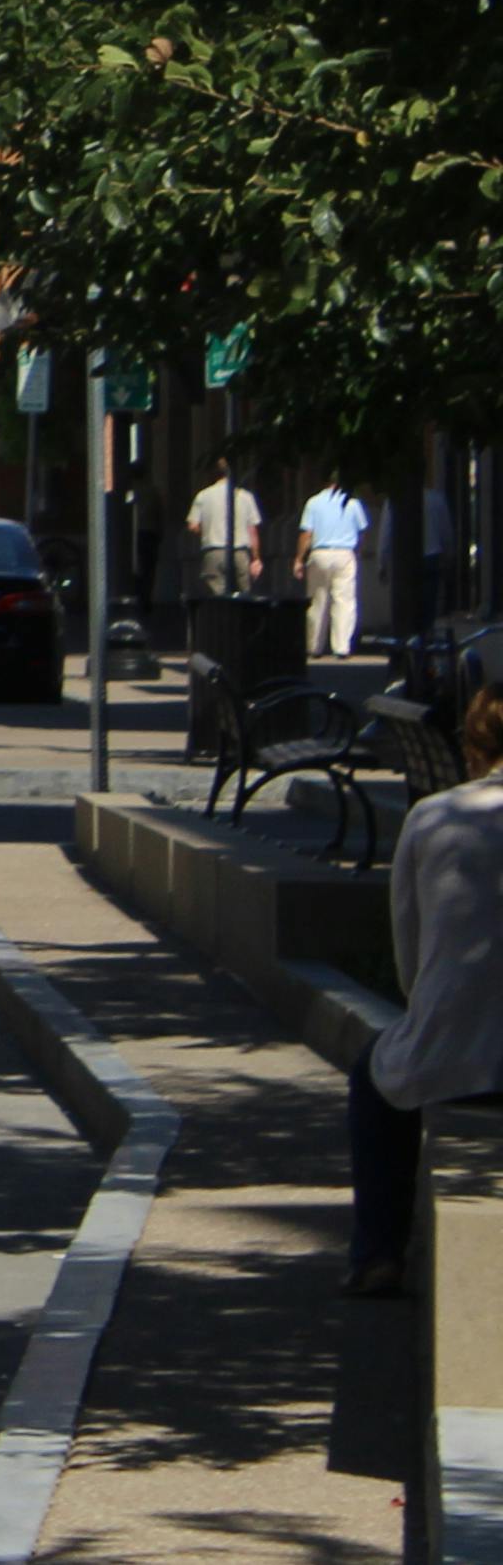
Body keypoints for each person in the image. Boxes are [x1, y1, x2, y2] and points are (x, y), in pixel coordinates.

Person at [355, 685, 503, 1296]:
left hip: (456, 1051)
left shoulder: (435, 815)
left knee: (371, 1075)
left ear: (471, 743)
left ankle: (377, 1252)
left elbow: (410, 961)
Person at [304, 479, 373, 658]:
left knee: (318, 601)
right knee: (344, 601)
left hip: (320, 553)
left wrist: (298, 558)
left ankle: (314, 646)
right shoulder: (353, 503)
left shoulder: (313, 502)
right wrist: (358, 550)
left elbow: (306, 533)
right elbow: (363, 531)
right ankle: (341, 647)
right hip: (345, 553)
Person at [190, 468, 267, 605]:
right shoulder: (245, 496)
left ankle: (220, 622)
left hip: (214, 551)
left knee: (217, 596)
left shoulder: (203, 495)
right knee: (245, 594)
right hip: (241, 551)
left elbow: (193, 525)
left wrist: (208, 531)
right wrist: (256, 558)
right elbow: (252, 530)